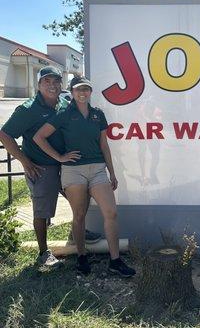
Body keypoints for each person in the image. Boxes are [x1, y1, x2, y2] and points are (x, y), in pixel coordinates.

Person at [33, 76, 136, 277]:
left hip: (97, 169)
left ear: (90, 92)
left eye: (86, 89)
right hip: (74, 171)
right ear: (71, 92)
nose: (83, 93)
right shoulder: (63, 114)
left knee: (111, 213)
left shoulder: (98, 114)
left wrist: (112, 172)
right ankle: (81, 257)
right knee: (79, 215)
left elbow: (104, 145)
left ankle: (115, 261)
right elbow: (39, 137)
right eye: (78, 89)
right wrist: (59, 157)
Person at [0, 66, 68, 267]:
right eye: (47, 81)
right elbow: (4, 134)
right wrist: (24, 161)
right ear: (38, 85)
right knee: (42, 211)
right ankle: (43, 252)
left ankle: (82, 230)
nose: (52, 85)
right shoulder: (28, 109)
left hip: (64, 165)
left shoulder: (63, 104)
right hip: (41, 167)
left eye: (56, 81)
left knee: (78, 199)